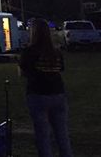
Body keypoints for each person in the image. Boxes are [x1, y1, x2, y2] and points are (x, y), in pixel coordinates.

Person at [18, 18, 73, 157]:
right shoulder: (56, 52)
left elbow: (24, 73)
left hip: (38, 94)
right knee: (62, 135)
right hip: (57, 94)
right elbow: (60, 69)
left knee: (43, 136)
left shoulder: (29, 51)